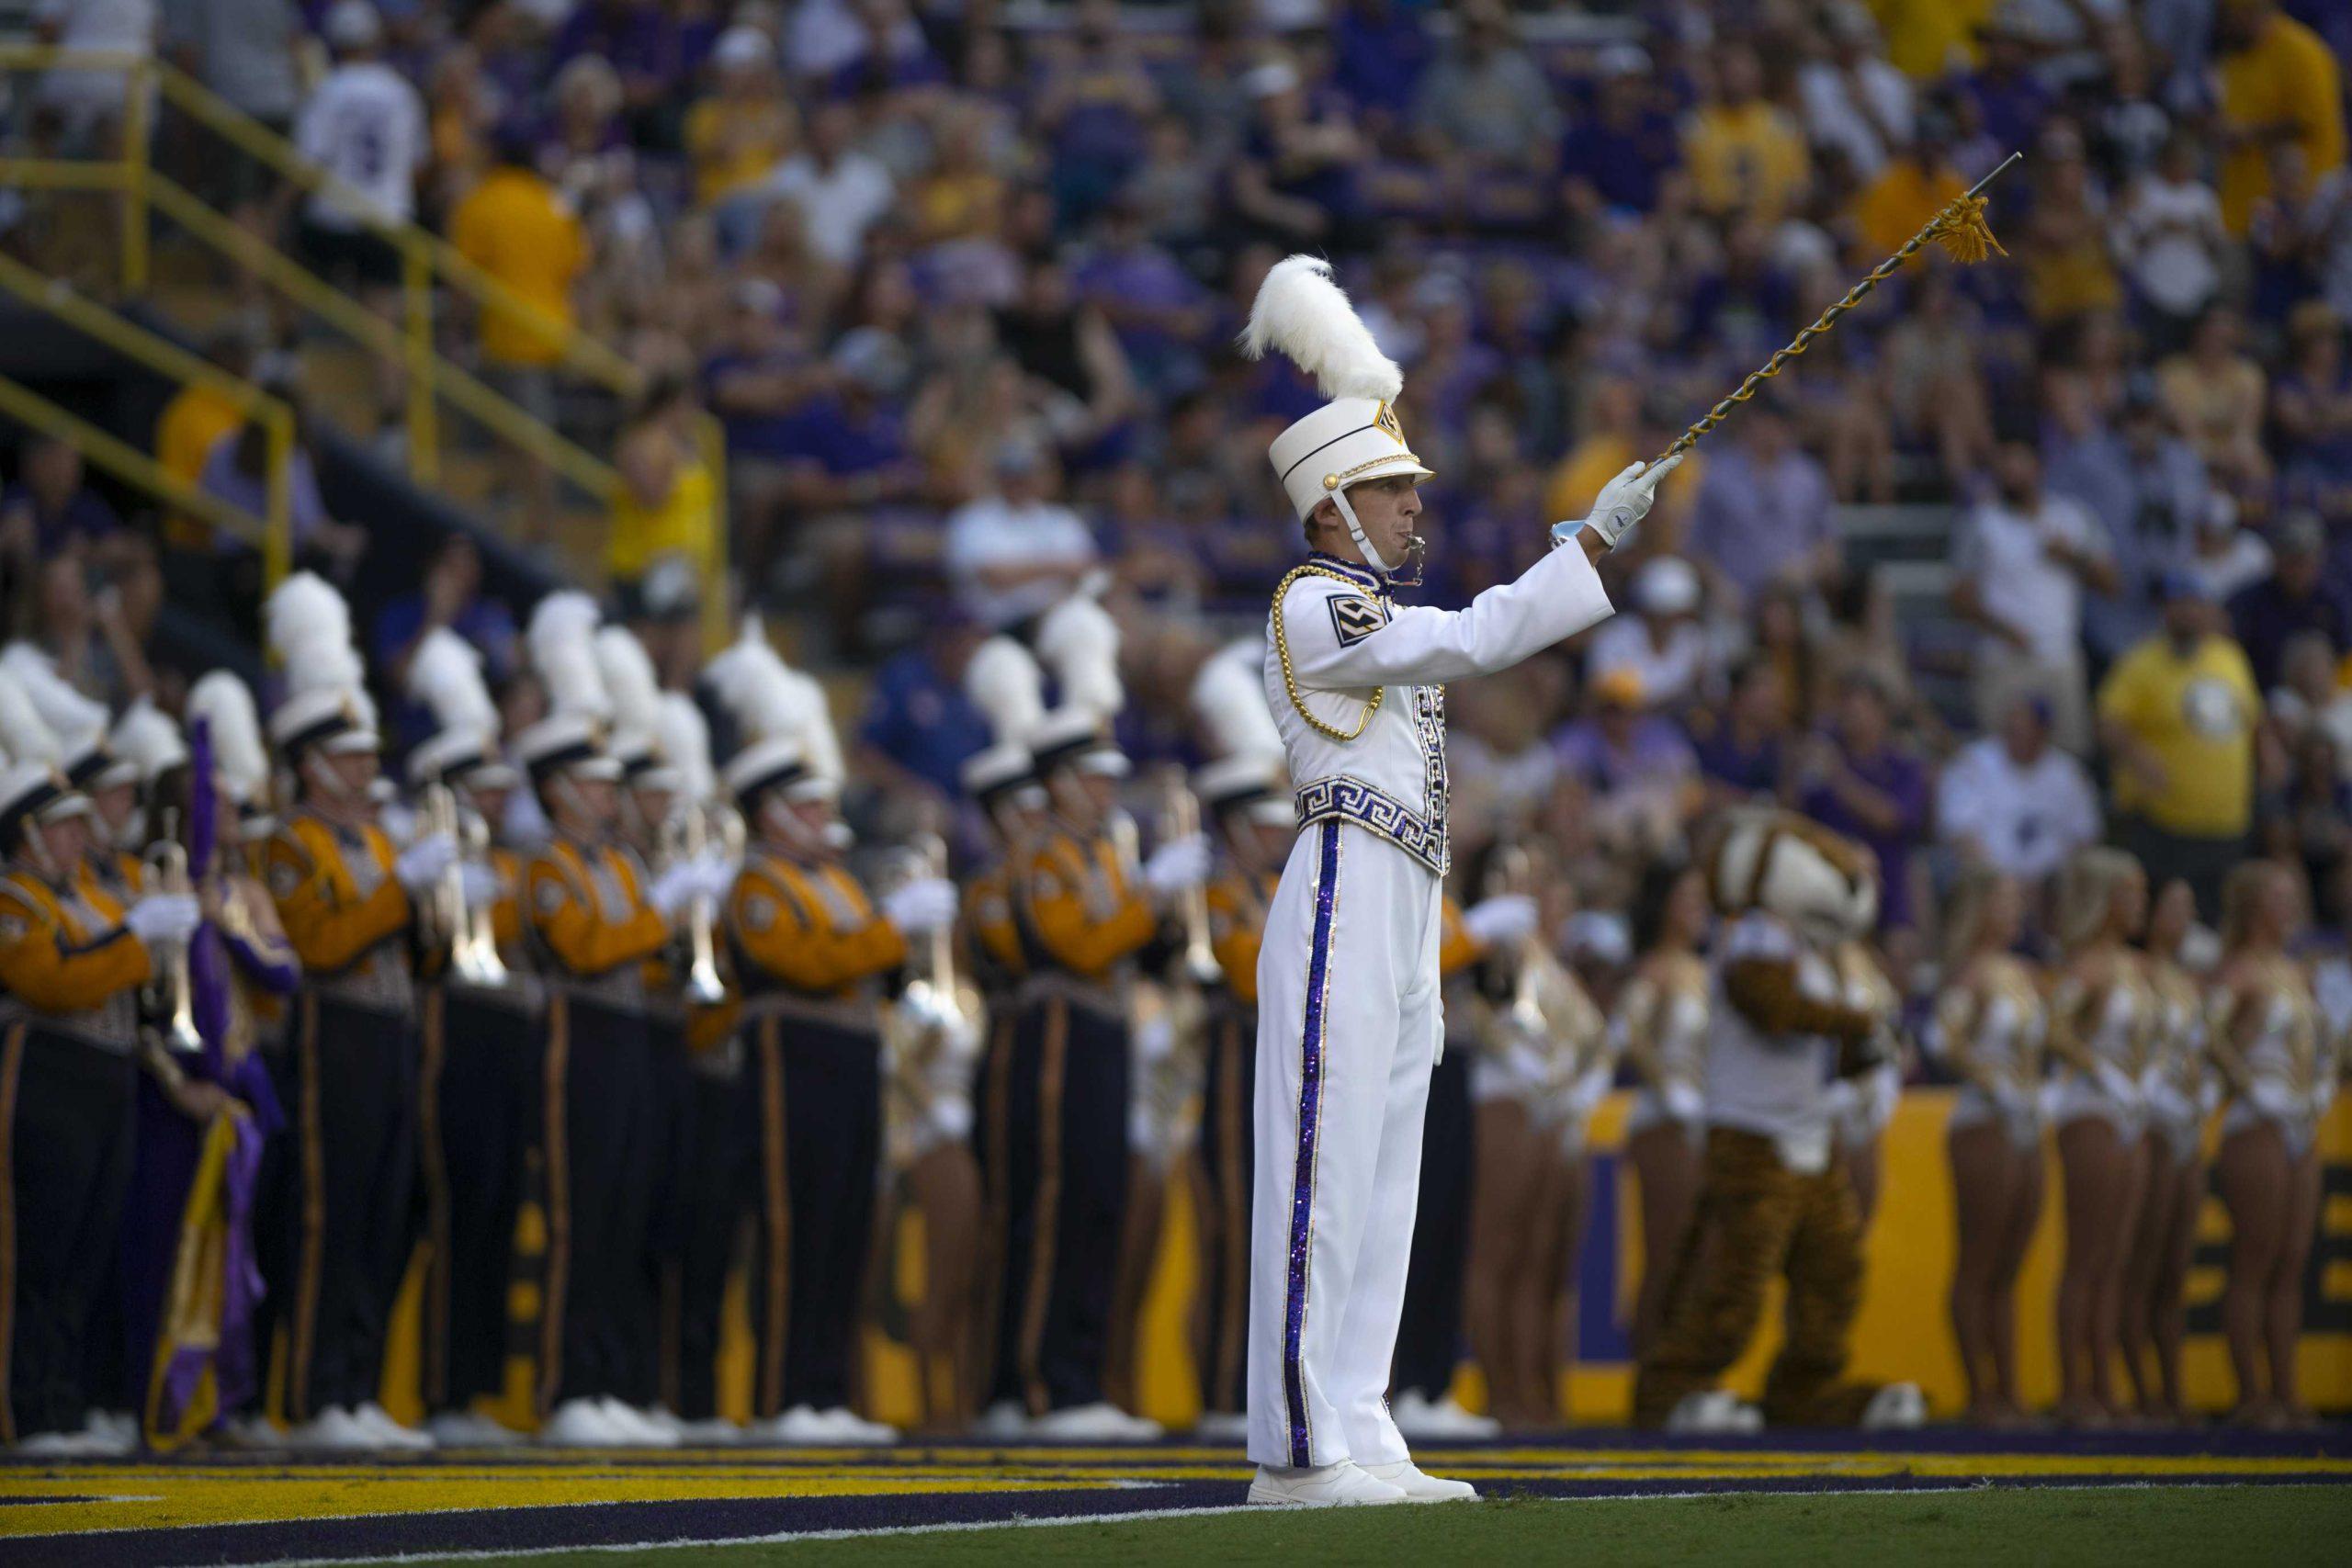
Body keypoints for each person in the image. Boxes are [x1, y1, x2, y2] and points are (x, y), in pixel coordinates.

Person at [1238, 256, 1675, 1503]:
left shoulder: (1370, 615)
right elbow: (1475, 637)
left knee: (1385, 1178)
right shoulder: (1319, 604)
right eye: (1389, 490)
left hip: (1403, 894)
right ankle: (1295, 1447)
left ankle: (1364, 1422)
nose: (1410, 509)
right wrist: (1585, 545)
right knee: (1321, 1170)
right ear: (1332, 501)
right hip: (1337, 888)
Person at [711, 627, 935, 1447]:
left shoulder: (837, 880)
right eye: (805, 805)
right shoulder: (758, 883)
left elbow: (879, 969)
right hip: (790, 1060)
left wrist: (891, 940)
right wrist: (887, 934)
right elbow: (802, 960)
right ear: (767, 813)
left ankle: (826, 1387)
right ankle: (780, 1394)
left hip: (849, 1060)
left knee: (844, 1226)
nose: (822, 816)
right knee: (790, 1225)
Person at [1631, 810, 1920, 1432]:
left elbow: (1817, 1040)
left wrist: (1866, 1056)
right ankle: (1674, 1385)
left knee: (1834, 1275)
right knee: (1734, 1282)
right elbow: (1771, 1003)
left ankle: (1807, 1388)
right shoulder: (1754, 932)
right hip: (1752, 1136)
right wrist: (1856, 1023)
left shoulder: (1814, 950)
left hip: (1810, 1137)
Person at [513, 594, 712, 1449]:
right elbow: (586, 945)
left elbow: (650, 957)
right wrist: (661, 913)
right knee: (580, 1207)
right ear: (558, 790)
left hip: (629, 1036)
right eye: (593, 782)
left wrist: (692, 921)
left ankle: (613, 1378)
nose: (607, 794)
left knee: (627, 1208)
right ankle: (567, 1385)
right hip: (578, 1034)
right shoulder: (550, 866)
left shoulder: (624, 864)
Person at [258, 573, 447, 1451]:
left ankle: (361, 1384)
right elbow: (322, 943)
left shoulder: (376, 840)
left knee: (383, 1206)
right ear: (312, 763)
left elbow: (419, 956)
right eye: (354, 755)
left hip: (392, 1030)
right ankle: (312, 1390)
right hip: (332, 1031)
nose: (371, 767)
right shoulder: (291, 844)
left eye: (372, 754)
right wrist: (397, 894)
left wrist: (436, 904)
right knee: (328, 1209)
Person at [0, 750, 199, 1454]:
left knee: (89, 1246)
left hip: (106, 1071)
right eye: (61, 826)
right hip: (48, 1069)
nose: (78, 836)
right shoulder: (16, 899)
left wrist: (154, 934)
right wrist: (137, 937)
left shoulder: (92, 893)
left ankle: (64, 1400)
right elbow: (53, 980)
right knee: (39, 1249)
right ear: (25, 835)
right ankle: (24, 1410)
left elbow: (132, 968)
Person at [401, 630, 533, 1449]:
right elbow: (422, 952)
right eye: (476, 789)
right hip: (451, 1027)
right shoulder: (422, 854)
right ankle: (442, 1384)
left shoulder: (509, 863)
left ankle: (474, 1386)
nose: (492, 802)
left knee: (494, 1211)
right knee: (452, 1208)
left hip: (503, 1031)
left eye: (495, 790)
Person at [2210, 860, 2334, 1427]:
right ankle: (2250, 1393)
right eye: (2280, 896)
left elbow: (2325, 1042)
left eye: (2295, 895)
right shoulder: (2237, 973)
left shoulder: (2299, 972)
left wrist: (2322, 1087)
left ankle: (2287, 1389)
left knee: (2293, 1258)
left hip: (2299, 1123)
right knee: (2255, 1255)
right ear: (2255, 905)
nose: (2291, 907)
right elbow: (2206, 1038)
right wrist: (2249, 1087)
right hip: (2256, 1121)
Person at [2044, 848, 2155, 1427]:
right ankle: (2074, 1388)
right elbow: (2054, 1028)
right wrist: (2098, 1067)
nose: (2140, 905)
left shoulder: (2132, 967)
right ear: (2106, 900)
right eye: (2130, 894)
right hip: (2092, 1108)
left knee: (2116, 1258)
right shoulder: (2085, 966)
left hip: (2130, 1109)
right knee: (2087, 1256)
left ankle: (2103, 1385)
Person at [1931, 869, 2045, 1426]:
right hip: (1983, 1119)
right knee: (1979, 1261)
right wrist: (1989, 1079)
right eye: (2003, 900)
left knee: (2009, 1264)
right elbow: (1942, 1038)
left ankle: (2010, 1389)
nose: (2014, 911)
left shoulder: (2020, 973)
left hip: (2021, 1118)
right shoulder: (1970, 975)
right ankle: (1981, 1391)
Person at [2098, 573, 2265, 919]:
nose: (2188, 613)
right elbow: (2108, 721)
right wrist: (2137, 756)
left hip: (2227, 822)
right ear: (2166, 611)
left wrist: (2269, 750)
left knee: (2217, 921)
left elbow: (2251, 716)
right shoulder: (2141, 662)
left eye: (2195, 605)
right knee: (2162, 917)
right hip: (2164, 824)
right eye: (2180, 605)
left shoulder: (2229, 657)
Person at [1950, 440, 2116, 754]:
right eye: (2003, 461)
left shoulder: (2072, 518)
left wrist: (2072, 557)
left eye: (2018, 460)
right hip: (2003, 659)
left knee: (2068, 756)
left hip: (2060, 658)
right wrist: (2006, 631)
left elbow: (2112, 583)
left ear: (2038, 467)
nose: (2010, 469)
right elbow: (1959, 597)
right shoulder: (1982, 523)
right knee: (2000, 755)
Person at [2121, 878, 2212, 1423]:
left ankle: (2173, 1389)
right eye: (2175, 907)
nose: (2185, 918)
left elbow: (2205, 1049)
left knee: (2178, 1265)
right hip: (2151, 1119)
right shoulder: (2136, 974)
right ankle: (2140, 1389)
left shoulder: (2186, 981)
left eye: (2189, 907)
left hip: (2185, 1121)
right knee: (2144, 1259)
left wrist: (2206, 1094)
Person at [1615, 861, 1712, 1361]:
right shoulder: (1654, 968)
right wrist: (1668, 1087)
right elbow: (1627, 1033)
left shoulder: (1706, 972)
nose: (1700, 910)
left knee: (1702, 1258)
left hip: (1704, 1126)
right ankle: (1653, 1376)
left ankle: (1686, 1375)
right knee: (1669, 1252)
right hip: (1665, 1124)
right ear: (1665, 906)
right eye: (1688, 898)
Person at [287, 2, 426, 304]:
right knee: (381, 316)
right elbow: (417, 165)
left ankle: (286, 348)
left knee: (290, 278)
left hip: (332, 216)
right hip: (386, 215)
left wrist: (277, 210)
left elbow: (309, 163)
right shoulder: (402, 92)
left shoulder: (328, 90)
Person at [1936, 692, 2102, 898]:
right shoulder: (1973, 763)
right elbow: (1961, 834)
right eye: (2012, 728)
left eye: (2025, 728)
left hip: (2050, 889)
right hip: (1987, 881)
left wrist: (2051, 881)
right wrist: (2001, 882)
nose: (2017, 734)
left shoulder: (2069, 774)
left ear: (2043, 732)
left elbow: (2083, 839)